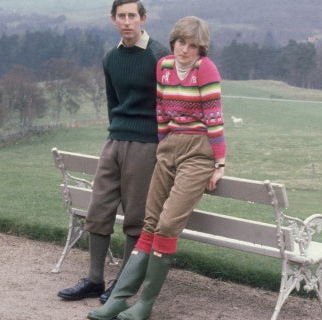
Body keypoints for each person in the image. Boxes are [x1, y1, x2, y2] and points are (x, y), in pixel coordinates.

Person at [87, 16, 226, 320]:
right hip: (169, 147)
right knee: (149, 223)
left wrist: (219, 163)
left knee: (167, 225)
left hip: (198, 152)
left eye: (193, 46)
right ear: (173, 41)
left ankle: (145, 304)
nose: (185, 50)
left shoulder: (205, 69)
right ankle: (120, 299)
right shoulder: (163, 66)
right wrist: (164, 144)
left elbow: (214, 118)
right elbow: (161, 109)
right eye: (181, 43)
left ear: (201, 49)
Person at [57, 0, 170, 304]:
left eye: (132, 16)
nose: (127, 22)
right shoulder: (110, 57)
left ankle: (122, 281)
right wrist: (116, 134)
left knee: (135, 215)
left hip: (147, 144)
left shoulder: (160, 56)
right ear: (113, 20)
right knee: (99, 208)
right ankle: (94, 279)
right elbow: (112, 102)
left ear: (143, 19)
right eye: (121, 16)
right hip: (115, 140)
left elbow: (169, 104)